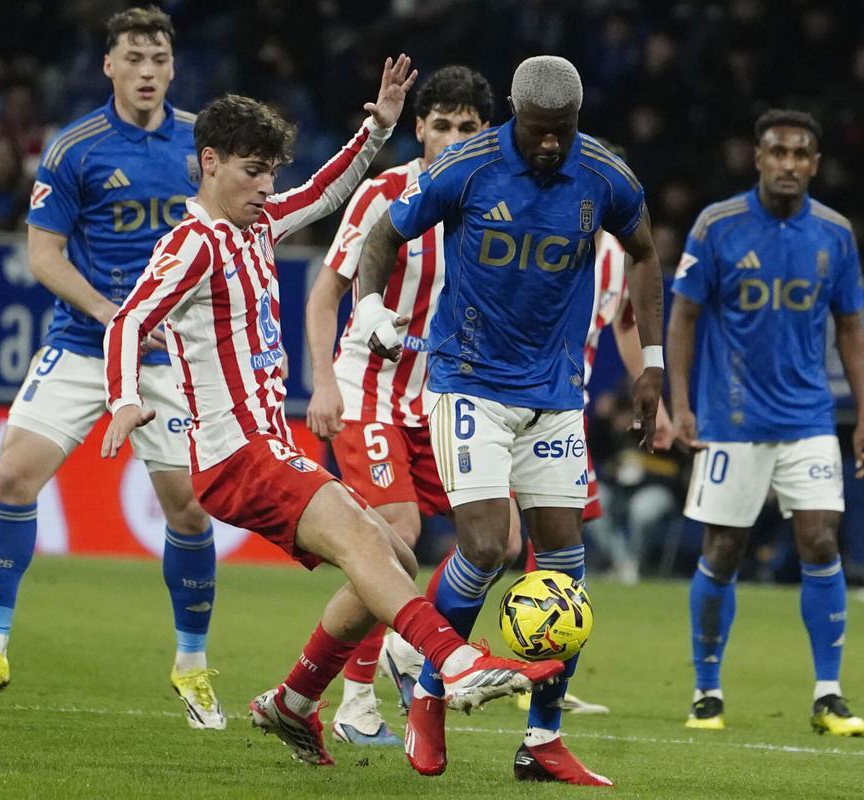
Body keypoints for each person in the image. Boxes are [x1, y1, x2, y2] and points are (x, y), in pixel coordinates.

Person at [101, 68, 564, 770]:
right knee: (361, 538)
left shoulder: (254, 224)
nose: (266, 188)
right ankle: (453, 659)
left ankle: (293, 699)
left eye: (269, 174)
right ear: (210, 163)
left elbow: (319, 192)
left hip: (266, 444)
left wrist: (375, 128)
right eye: (254, 173)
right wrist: (124, 399)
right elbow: (129, 320)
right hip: (236, 452)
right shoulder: (193, 243)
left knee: (395, 553)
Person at [354, 55, 665, 786]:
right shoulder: (466, 167)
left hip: (555, 393)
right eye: (539, 131)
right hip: (469, 384)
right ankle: (429, 692)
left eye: (564, 131)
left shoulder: (604, 176)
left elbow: (646, 254)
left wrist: (650, 361)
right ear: (514, 119)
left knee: (565, 570)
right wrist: (370, 309)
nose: (552, 144)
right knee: (488, 546)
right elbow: (380, 236)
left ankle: (542, 738)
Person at [0, 6, 229, 731]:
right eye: (133, 58)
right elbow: (44, 254)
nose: (148, 71)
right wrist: (108, 313)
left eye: (158, 58)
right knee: (11, 475)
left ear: (172, 65)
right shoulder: (76, 147)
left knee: (189, 511)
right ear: (108, 66)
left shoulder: (203, 146)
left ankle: (192, 667)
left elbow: (240, 230)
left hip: (168, 355)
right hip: (83, 344)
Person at [666, 108, 864, 737]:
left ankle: (829, 693)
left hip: (809, 416)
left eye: (801, 154)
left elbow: (850, 327)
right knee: (723, 551)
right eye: (778, 152)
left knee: (820, 540)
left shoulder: (834, 234)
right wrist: (681, 406)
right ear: (757, 158)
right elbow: (683, 316)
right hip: (730, 422)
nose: (789, 164)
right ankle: (707, 691)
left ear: (815, 164)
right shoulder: (718, 225)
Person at [305, 65, 495, 747]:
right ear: (418, 128)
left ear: (486, 133)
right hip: (370, 389)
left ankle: (402, 644)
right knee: (395, 535)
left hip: (441, 397)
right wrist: (323, 382)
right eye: (438, 124)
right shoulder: (386, 192)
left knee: (491, 536)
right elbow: (327, 292)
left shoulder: (492, 206)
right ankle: (357, 700)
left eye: (465, 127)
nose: (449, 137)